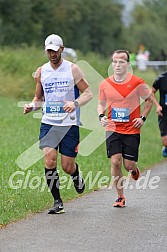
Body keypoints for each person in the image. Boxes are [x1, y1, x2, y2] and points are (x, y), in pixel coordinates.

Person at [24, 34, 93, 214]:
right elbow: (39, 98)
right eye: (49, 51)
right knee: (49, 160)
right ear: (46, 50)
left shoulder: (73, 69)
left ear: (61, 49)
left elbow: (88, 93)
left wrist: (75, 103)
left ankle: (76, 174)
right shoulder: (41, 72)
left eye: (55, 50)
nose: (52, 54)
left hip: (69, 125)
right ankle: (57, 201)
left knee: (67, 166)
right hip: (49, 123)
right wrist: (32, 106)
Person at [97, 50, 152, 207]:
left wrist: (142, 118)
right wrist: (101, 116)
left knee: (128, 165)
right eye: (115, 61)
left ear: (128, 64)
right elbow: (100, 103)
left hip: (131, 130)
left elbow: (148, 100)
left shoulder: (137, 82)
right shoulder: (105, 83)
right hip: (113, 128)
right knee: (115, 161)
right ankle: (120, 197)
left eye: (121, 62)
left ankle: (134, 170)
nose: (118, 64)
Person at [152, 72, 167, 157]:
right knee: (165, 142)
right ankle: (165, 147)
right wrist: (157, 106)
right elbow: (152, 92)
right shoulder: (161, 78)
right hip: (163, 113)